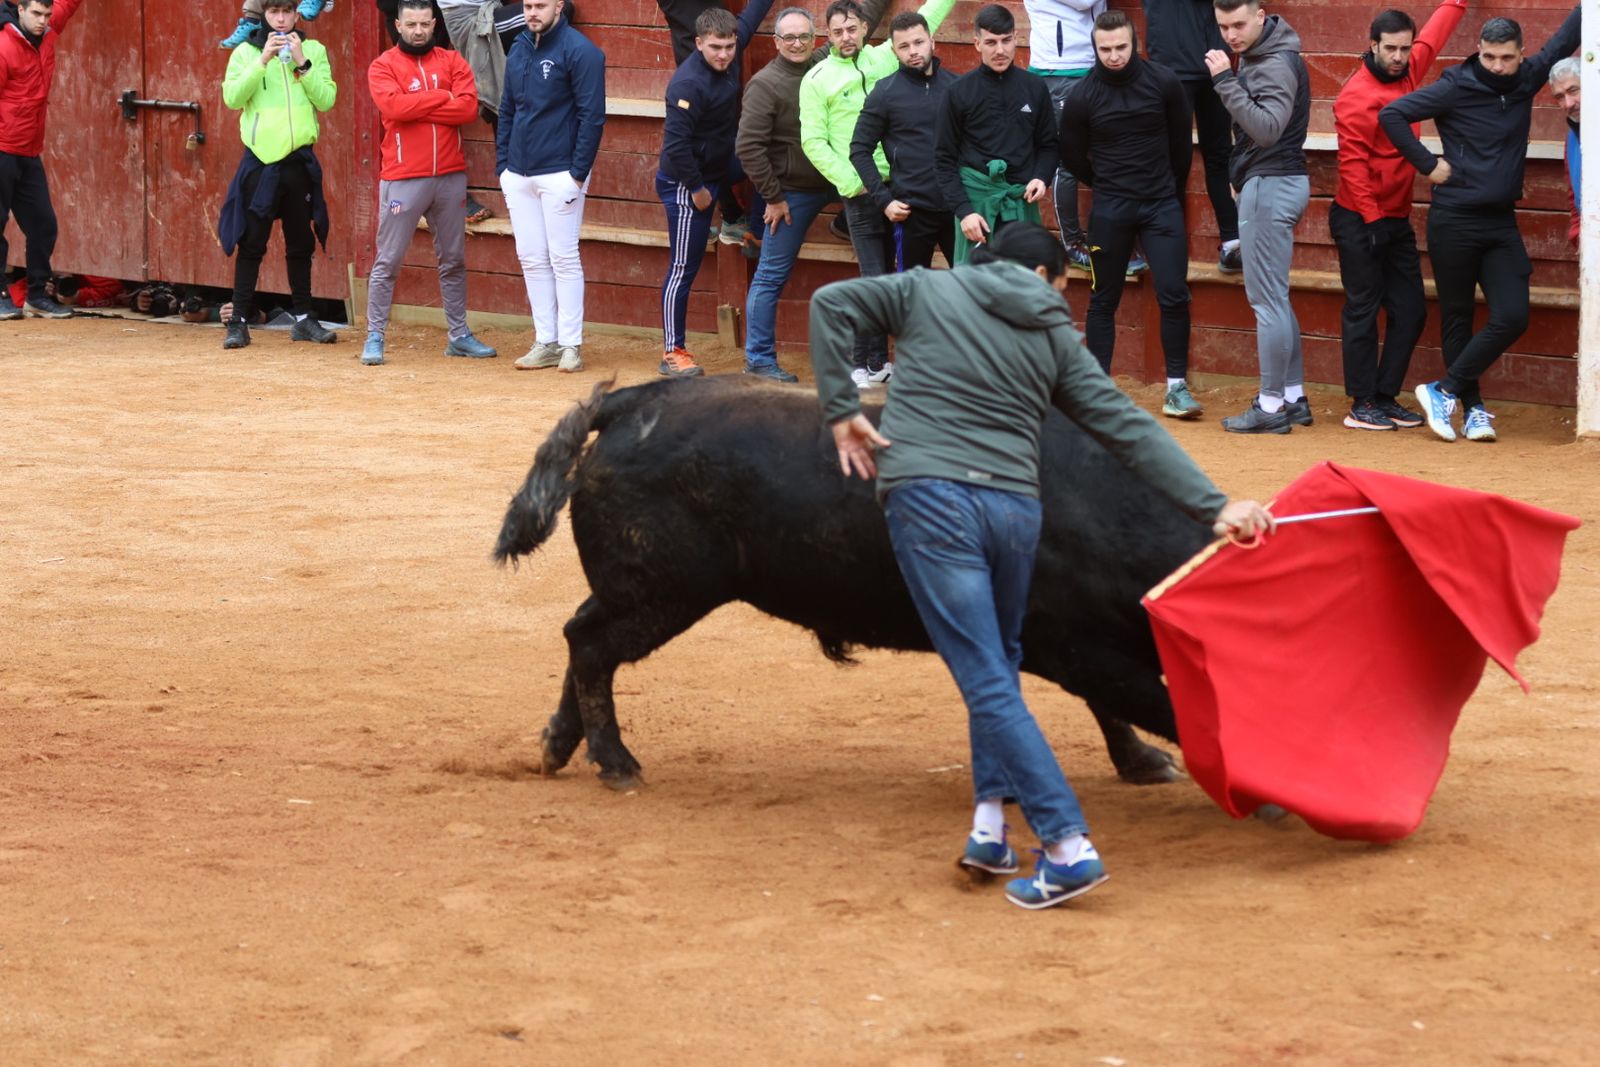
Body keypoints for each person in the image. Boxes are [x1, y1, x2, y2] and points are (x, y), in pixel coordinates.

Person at [808, 221, 1273, 910]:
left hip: (933, 501)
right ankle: (991, 829)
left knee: (986, 677)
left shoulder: (927, 290)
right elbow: (1127, 425)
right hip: (1015, 514)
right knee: (998, 660)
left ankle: (1065, 844)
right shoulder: (1055, 336)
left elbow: (828, 305)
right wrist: (1214, 505)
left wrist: (842, 409)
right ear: (1050, 281)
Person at [1381, 7, 1580, 443]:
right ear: (1480, 51)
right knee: (1458, 317)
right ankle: (1473, 411)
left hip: (1500, 221)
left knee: (1513, 315)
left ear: (1520, 54)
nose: (1497, 67)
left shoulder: (1528, 78)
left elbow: (1567, 37)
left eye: (1506, 58)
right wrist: (1427, 163)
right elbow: (1392, 116)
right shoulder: (1456, 85)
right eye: (1489, 57)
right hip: (1453, 220)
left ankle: (1444, 390)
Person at [801, 0, 956, 389]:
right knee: (874, 279)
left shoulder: (885, 56)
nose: (845, 37)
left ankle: (880, 364)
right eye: (836, 32)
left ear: (865, 27)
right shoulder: (817, 78)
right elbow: (814, 142)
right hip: (863, 194)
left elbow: (927, 17)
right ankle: (863, 365)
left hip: (901, 190)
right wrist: (854, 184)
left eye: (851, 29)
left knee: (894, 280)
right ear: (828, 36)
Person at [1330, 1, 1467, 432]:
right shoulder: (1355, 95)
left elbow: (1433, 37)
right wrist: (1372, 220)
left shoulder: (1408, 70)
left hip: (1395, 217)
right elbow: (1352, 165)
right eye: (1390, 48)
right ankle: (1361, 404)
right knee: (1363, 309)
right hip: (1359, 217)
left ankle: (1385, 397)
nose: (1399, 56)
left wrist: (1457, 3)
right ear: (1372, 46)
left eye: (1404, 49)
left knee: (1410, 310)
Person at [1059, 10, 1201, 418]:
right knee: (1104, 297)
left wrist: (1163, 190)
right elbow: (1072, 157)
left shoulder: (1164, 82)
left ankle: (1176, 389)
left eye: (1121, 47)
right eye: (1105, 50)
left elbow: (1180, 147)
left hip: (1160, 205)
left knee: (1174, 292)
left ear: (1134, 42)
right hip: (1110, 209)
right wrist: (1107, 183)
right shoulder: (1083, 96)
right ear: (1095, 48)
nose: (1114, 56)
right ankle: (1100, 392)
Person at [735, 0, 887, 383]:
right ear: (776, 41)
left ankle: (843, 222)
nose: (798, 44)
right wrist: (772, 196)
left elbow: (860, 19)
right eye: (789, 38)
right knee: (771, 272)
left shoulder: (823, 59)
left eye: (804, 36)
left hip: (839, 181)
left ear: (815, 38)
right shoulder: (765, 85)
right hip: (794, 191)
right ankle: (758, 359)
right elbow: (748, 148)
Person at [362, 0, 496, 367]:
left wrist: (416, 103)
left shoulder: (452, 61)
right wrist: (441, 97)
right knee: (388, 260)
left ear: (434, 24)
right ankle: (374, 335)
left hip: (450, 176)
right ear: (399, 25)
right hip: (404, 177)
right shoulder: (382, 66)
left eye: (424, 24)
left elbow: (468, 109)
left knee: (452, 259)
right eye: (411, 24)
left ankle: (458, 335)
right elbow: (393, 109)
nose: (418, 30)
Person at [1207, 0, 1312, 434]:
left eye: (1238, 24)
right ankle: (1292, 397)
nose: (1230, 35)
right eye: (1223, 26)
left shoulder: (1271, 62)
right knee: (1277, 297)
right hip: (1275, 181)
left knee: (1267, 302)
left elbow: (1267, 129)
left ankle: (1270, 408)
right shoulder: (1269, 53)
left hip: (1270, 188)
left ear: (1261, 16)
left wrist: (1224, 81)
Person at [656, 0, 774, 378]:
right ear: (698, 43)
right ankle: (672, 351)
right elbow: (675, 147)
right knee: (683, 267)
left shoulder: (732, 48)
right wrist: (698, 190)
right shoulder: (687, 83)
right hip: (687, 183)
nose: (724, 55)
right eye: (715, 47)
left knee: (766, 155)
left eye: (729, 47)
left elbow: (753, 14)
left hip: (718, 166)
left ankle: (748, 228)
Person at [217, 0, 339, 350]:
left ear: (297, 14)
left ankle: (303, 319)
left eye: (287, 12)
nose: (281, 20)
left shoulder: (313, 48)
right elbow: (232, 97)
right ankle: (238, 321)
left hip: (299, 160)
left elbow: (327, 99)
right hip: (261, 161)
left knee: (300, 242)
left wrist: (302, 62)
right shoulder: (244, 52)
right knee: (252, 242)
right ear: (264, 16)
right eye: (274, 13)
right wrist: (262, 60)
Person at [498, 0, 605, 374]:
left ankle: (571, 345)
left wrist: (577, 173)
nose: (532, 12)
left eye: (540, 5)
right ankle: (546, 340)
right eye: (528, 5)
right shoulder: (518, 47)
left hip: (560, 172)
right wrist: (503, 167)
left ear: (559, 5)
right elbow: (508, 108)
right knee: (531, 256)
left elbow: (592, 117)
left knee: (563, 257)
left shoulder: (582, 52)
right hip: (519, 173)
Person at [935, 5, 1058, 266]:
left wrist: (1041, 177)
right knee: (975, 294)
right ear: (977, 43)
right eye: (991, 42)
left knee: (1024, 287)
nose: (1000, 50)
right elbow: (944, 159)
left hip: (1020, 202)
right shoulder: (957, 92)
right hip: (977, 210)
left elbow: (1049, 145)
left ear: (1017, 39)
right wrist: (964, 212)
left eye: (1006, 40)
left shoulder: (1034, 87)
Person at [848, 11, 957, 272]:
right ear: (895, 52)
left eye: (918, 42)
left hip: (957, 209)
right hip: (912, 213)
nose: (913, 52)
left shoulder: (957, 87)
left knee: (973, 290)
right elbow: (859, 150)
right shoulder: (885, 93)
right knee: (909, 295)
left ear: (932, 41)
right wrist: (884, 201)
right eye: (904, 46)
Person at [0, 0, 83, 322]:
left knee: (43, 225)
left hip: (29, 150)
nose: (43, 21)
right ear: (18, 9)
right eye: (36, 14)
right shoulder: (4, 45)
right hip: (3, 148)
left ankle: (36, 296)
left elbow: (68, 4)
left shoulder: (47, 30)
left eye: (47, 15)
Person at [1142, 0, 1240, 272]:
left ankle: (1233, 241)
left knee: (1221, 155)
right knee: (1173, 161)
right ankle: (1169, 243)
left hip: (1214, 60)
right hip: (1171, 63)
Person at [1549, 56, 1580, 247]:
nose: (1568, 103)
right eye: (1560, 97)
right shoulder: (1571, 139)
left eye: (1573, 91)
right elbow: (1575, 197)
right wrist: (1577, 235)